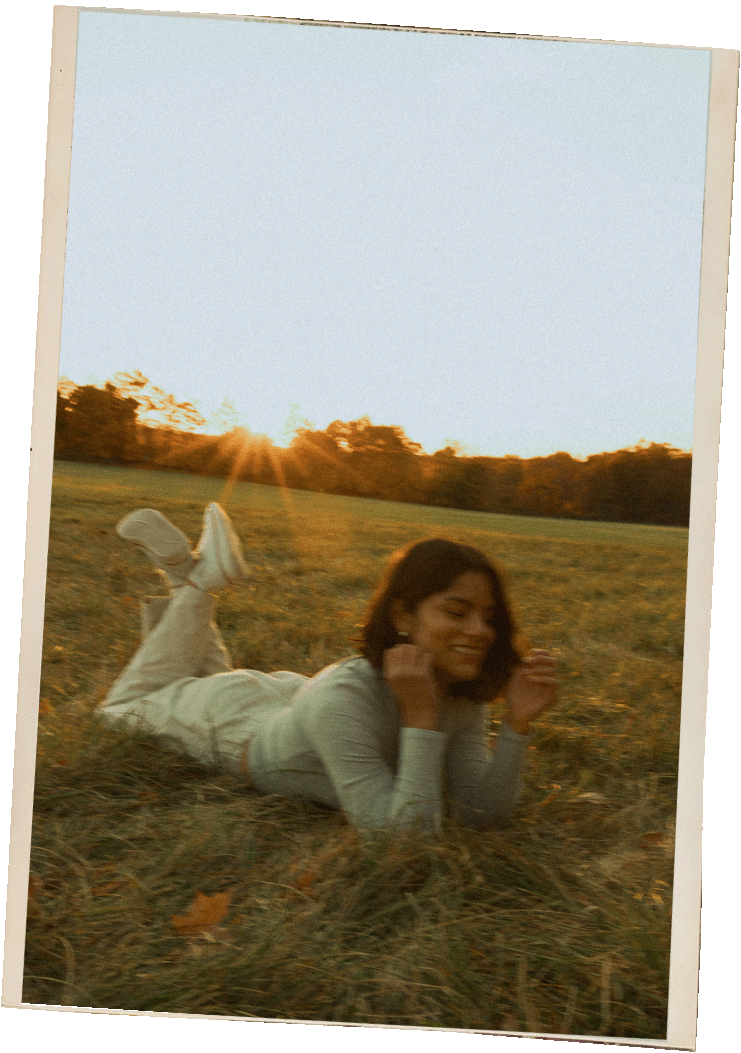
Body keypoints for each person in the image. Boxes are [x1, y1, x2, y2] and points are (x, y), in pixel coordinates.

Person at [102, 502, 558, 833]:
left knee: (189, 677)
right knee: (118, 710)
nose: (480, 631)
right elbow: (403, 839)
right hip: (227, 723)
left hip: (291, 702)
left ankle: (182, 574)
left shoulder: (459, 691)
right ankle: (199, 584)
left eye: (488, 617)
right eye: (457, 612)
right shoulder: (346, 698)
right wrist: (421, 717)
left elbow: (477, 813)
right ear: (402, 616)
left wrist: (516, 726)